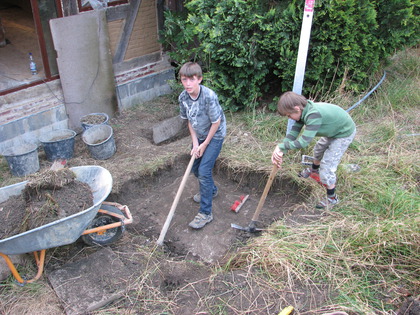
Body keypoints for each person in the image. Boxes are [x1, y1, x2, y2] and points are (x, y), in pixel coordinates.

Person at [271, 91, 356, 208]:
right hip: (333, 130)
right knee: (319, 149)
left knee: (327, 166)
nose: (289, 118)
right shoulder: (302, 112)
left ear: (296, 109)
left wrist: (281, 146)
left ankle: (332, 199)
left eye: (289, 115)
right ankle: (314, 171)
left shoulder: (313, 115)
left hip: (343, 133)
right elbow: (293, 134)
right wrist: (281, 150)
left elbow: (303, 142)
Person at [178, 62, 226, 229]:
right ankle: (211, 190)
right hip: (199, 136)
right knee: (196, 169)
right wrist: (195, 142)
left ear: (199, 79)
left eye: (192, 79)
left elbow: (216, 122)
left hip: (215, 135)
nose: (188, 84)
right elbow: (190, 122)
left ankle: (205, 213)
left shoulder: (209, 96)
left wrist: (204, 144)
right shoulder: (183, 98)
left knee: (204, 171)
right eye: (184, 80)